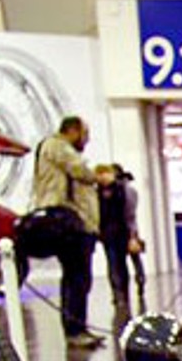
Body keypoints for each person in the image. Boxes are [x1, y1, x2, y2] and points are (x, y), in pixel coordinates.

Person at [19, 115, 111, 349]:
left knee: (79, 279)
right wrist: (100, 177)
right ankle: (74, 331)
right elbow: (81, 171)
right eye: (84, 135)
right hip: (68, 224)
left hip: (80, 227)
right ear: (72, 130)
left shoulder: (60, 149)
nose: (86, 141)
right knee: (76, 279)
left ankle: (78, 328)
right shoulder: (56, 145)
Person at [96, 164, 144, 330]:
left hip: (124, 233)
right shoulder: (98, 192)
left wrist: (133, 235)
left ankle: (136, 285)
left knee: (127, 263)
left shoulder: (123, 191)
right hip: (108, 236)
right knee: (114, 265)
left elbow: (129, 215)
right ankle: (119, 294)